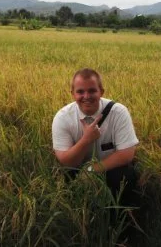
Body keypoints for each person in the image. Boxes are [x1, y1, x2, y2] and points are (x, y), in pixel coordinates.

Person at [52, 68, 139, 201]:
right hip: (77, 170)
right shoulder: (62, 117)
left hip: (110, 169)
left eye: (92, 91)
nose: (86, 96)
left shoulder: (118, 112)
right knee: (63, 181)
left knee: (126, 176)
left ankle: (122, 218)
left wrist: (91, 170)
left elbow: (127, 153)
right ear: (73, 94)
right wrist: (86, 139)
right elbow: (66, 161)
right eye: (80, 92)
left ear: (101, 92)